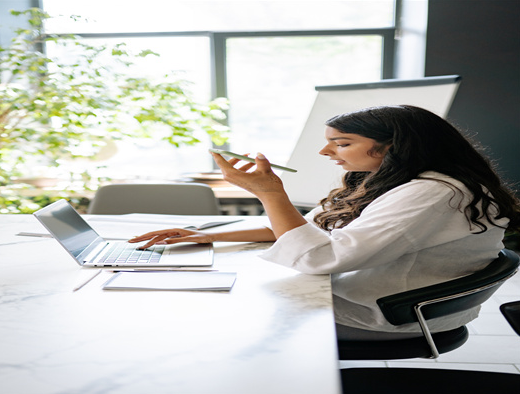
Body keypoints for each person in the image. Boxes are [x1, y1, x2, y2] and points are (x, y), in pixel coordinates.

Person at [129, 105, 520, 340]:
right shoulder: (397, 181)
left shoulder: (433, 194)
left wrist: (270, 193)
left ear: (394, 145)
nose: (325, 151)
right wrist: (203, 236)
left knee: (216, 313)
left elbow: (320, 257)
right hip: (376, 296)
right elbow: (304, 230)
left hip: (387, 315)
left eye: (342, 142)